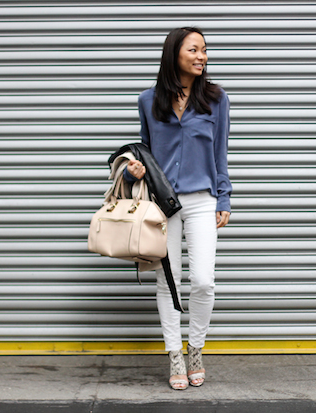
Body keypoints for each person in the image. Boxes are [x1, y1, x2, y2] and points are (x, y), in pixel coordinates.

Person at [124, 27, 232, 390]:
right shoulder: (148, 100)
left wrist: (224, 197)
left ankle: (196, 349)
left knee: (203, 281)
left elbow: (221, 155)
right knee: (167, 283)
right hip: (161, 203)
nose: (202, 56)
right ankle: (174, 355)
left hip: (203, 200)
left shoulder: (217, 100)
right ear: (175, 54)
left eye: (205, 50)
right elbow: (145, 152)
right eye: (194, 49)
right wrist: (134, 170)